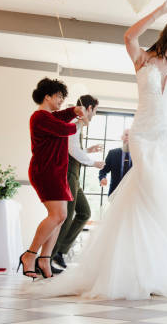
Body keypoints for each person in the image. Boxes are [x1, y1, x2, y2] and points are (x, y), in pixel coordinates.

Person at [29, 0, 167, 300]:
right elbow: (129, 36)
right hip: (144, 133)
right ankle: (139, 269)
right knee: (149, 187)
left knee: (164, 194)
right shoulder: (143, 58)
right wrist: (161, 10)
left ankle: (163, 268)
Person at [21, 78, 85, 280]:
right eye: (58, 96)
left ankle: (44, 260)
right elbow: (64, 129)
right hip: (45, 171)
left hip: (56, 172)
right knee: (56, 216)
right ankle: (30, 254)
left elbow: (64, 115)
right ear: (47, 96)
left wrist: (74, 111)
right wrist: (80, 121)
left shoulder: (51, 116)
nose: (60, 100)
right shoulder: (39, 117)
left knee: (62, 216)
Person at [52, 95, 105, 272]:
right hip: (68, 174)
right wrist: (93, 162)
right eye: (95, 111)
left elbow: (73, 147)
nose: (94, 115)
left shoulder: (77, 122)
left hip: (74, 174)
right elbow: (72, 149)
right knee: (66, 216)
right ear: (89, 108)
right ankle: (51, 256)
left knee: (84, 213)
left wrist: (88, 151)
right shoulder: (76, 121)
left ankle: (60, 251)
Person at [99, 129, 131, 197]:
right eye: (126, 135)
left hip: (132, 194)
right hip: (114, 193)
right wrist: (102, 178)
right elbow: (103, 170)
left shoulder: (138, 155)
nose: (128, 137)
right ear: (121, 137)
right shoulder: (113, 153)